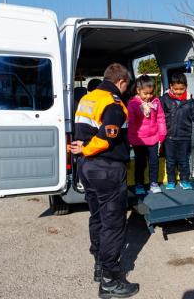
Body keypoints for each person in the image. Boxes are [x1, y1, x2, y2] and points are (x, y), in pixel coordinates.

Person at [68, 63, 139, 298]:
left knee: (97, 217)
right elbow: (108, 136)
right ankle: (109, 280)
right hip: (106, 168)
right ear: (121, 82)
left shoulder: (88, 99)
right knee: (114, 224)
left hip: (87, 169)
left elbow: (84, 131)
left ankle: (99, 264)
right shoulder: (114, 103)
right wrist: (88, 149)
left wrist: (83, 150)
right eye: (127, 85)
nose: (126, 89)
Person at [160, 72, 194, 190]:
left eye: (182, 89)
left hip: (184, 137)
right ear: (170, 86)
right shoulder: (164, 100)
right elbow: (158, 116)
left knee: (184, 161)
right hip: (169, 137)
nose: (179, 92)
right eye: (176, 89)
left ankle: (184, 180)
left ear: (186, 87)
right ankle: (171, 181)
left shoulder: (190, 102)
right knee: (170, 161)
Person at [127, 75, 167, 194]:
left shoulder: (156, 102)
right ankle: (139, 184)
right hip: (139, 139)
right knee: (140, 162)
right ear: (138, 91)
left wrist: (162, 134)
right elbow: (130, 122)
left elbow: (160, 118)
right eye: (145, 93)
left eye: (151, 93)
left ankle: (153, 183)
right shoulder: (133, 104)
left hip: (153, 138)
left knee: (154, 161)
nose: (148, 96)